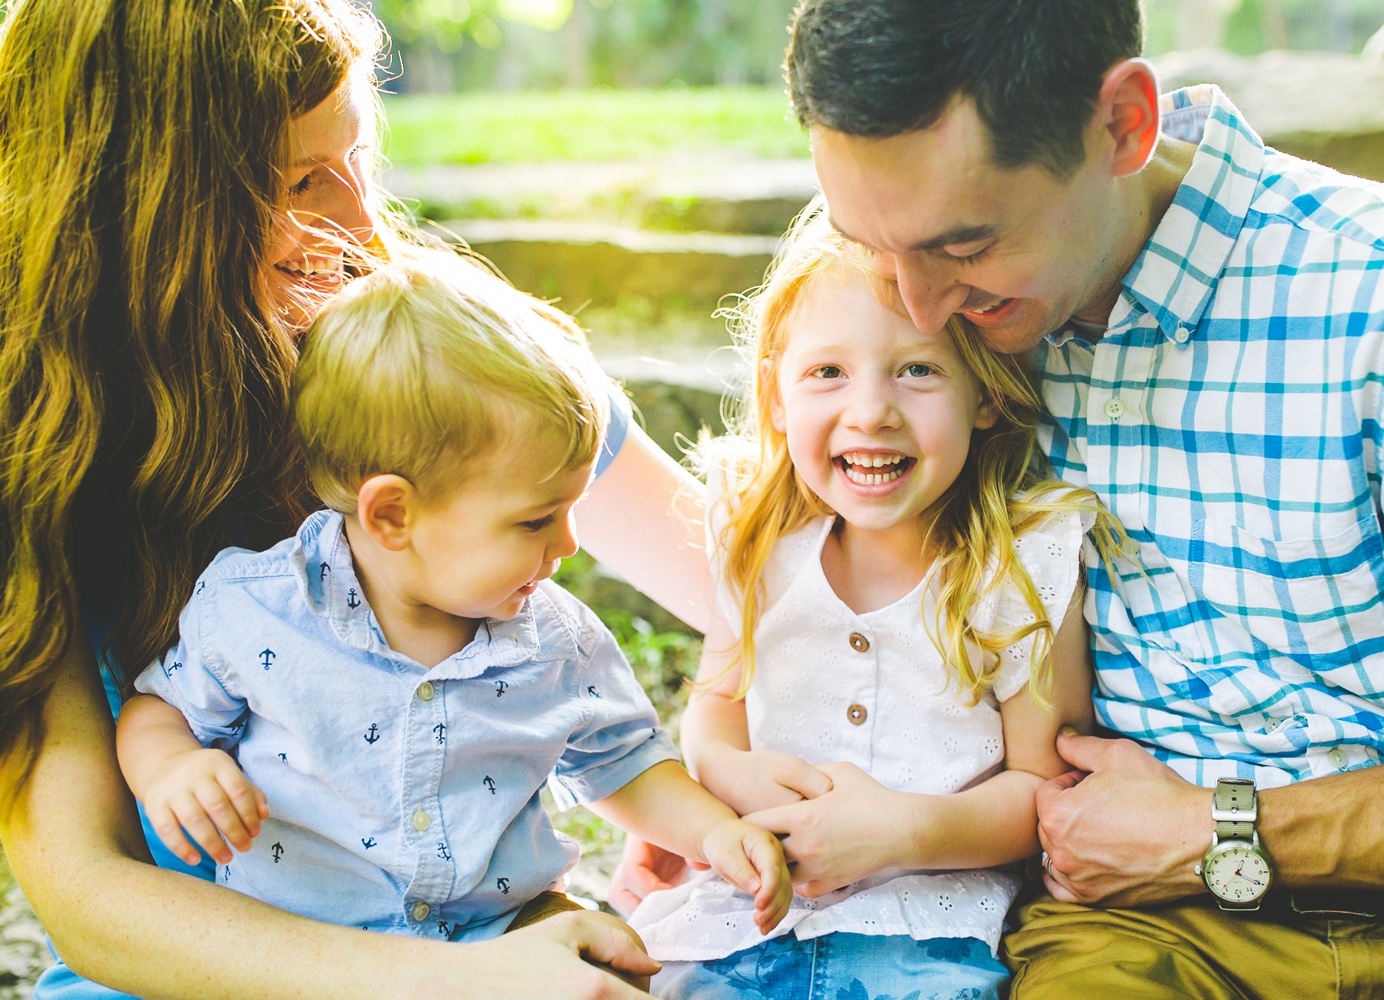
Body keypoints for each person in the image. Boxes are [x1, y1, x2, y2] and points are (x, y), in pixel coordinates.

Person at [615, 0, 1384, 995]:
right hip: (1145, 935)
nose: (917, 309)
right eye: (869, 240)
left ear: (1123, 125)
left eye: (962, 246)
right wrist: (726, 805)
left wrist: (1221, 830)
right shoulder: (945, 319)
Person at [0, 1, 710, 996]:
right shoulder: (33, 449)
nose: (365, 228)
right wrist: (451, 983)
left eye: (359, 160)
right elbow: (88, 891)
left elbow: (742, 580)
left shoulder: (435, 363)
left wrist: (713, 789)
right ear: (151, 212)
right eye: (300, 183)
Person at [112, 255, 791, 951]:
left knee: (609, 961)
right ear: (393, 516)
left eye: (570, 509)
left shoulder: (556, 638)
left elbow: (624, 761)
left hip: (499, 936)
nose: (570, 542)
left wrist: (713, 831)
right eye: (536, 520)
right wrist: (171, 766)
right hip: (305, 952)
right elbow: (157, 709)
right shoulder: (257, 612)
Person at [626, 207, 1114, 998]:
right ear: (777, 398)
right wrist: (727, 771)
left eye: (918, 370)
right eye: (828, 373)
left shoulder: (1021, 566)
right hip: (743, 921)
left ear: (986, 396)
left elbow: (1044, 794)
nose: (871, 411)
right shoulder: (756, 541)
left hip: (924, 936)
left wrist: (902, 832)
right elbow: (716, 707)